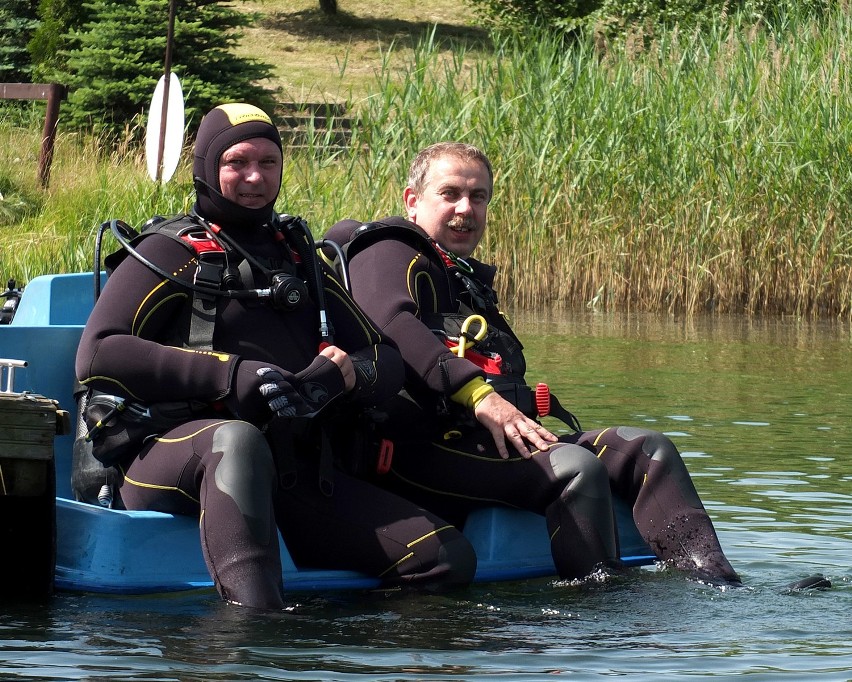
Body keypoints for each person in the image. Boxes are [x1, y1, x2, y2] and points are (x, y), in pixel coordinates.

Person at [74, 107, 477, 610]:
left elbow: (385, 356)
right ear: (205, 167)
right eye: (237, 161)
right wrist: (231, 375)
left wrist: (342, 378)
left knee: (445, 558)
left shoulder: (296, 257)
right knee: (235, 441)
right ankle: (252, 640)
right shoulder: (169, 251)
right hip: (172, 457)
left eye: (269, 162)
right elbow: (97, 354)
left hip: (290, 469)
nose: (254, 177)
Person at [325, 141, 741, 585]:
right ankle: (601, 613)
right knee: (575, 470)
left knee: (648, 449)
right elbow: (391, 323)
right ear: (413, 200)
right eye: (450, 194)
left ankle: (716, 586)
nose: (466, 209)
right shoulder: (386, 249)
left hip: (483, 442)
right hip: (412, 452)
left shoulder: (461, 279)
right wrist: (482, 397)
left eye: (478, 196)